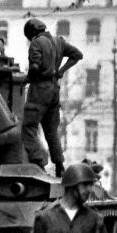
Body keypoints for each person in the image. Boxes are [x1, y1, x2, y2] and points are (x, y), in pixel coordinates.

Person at [21, 18, 83, 175]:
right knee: (51, 131)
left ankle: (39, 164)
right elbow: (77, 55)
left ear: (32, 33)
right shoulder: (59, 41)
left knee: (28, 128)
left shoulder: (36, 43)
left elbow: (35, 67)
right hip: (54, 91)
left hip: (40, 91)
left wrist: (27, 79)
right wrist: (61, 70)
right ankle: (60, 166)